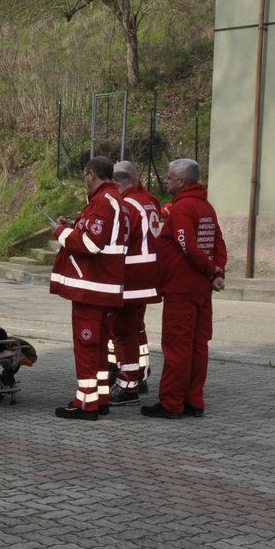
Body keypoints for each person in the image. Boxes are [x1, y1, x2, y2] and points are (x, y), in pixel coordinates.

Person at [143, 158, 226, 420]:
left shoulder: (182, 209)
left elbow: (188, 247)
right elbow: (218, 244)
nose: (165, 181)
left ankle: (171, 403)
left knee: (177, 347)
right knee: (198, 346)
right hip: (201, 289)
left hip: (181, 289)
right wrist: (217, 271)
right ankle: (193, 400)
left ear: (181, 181)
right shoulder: (206, 207)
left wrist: (212, 271)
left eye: (168, 177)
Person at [49, 156, 130, 420]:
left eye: (85, 175)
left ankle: (85, 404)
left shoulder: (104, 202)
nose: (84, 180)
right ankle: (100, 398)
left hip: (91, 286)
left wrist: (60, 232)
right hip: (101, 285)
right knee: (97, 345)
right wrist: (73, 226)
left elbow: (91, 244)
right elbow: (94, 234)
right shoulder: (110, 201)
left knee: (86, 345)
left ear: (91, 174)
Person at [110, 160, 160, 406]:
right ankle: (139, 376)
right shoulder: (148, 200)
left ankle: (127, 381)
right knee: (136, 330)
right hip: (147, 277)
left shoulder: (127, 205)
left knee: (123, 332)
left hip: (130, 277)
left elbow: (116, 240)